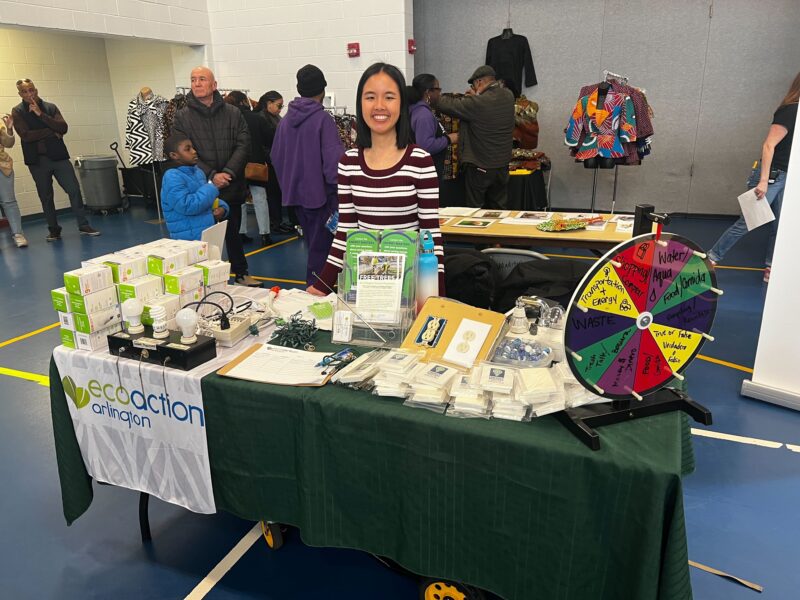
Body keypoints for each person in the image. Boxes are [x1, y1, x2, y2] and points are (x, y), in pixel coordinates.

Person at [310, 62, 444, 295]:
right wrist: (321, 287)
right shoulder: (348, 163)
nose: (379, 106)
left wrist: (437, 297)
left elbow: (430, 236)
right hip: (365, 290)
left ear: (401, 103)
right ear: (360, 103)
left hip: (409, 289)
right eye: (370, 97)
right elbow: (345, 234)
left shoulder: (419, 161)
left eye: (389, 97)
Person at [707, 71, 798, 283]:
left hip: (788, 177)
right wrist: (764, 180)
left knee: (781, 226)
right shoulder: (790, 111)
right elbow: (768, 145)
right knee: (748, 222)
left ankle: (770, 266)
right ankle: (711, 258)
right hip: (773, 175)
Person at [172, 67, 259, 287]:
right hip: (200, 185)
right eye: (193, 80)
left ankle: (241, 273)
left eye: (202, 79)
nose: (197, 83)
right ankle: (203, 281)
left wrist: (228, 173)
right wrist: (211, 175)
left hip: (231, 183)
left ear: (214, 85)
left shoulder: (233, 113)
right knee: (204, 236)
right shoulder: (182, 117)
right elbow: (183, 150)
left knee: (233, 233)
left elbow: (243, 144)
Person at [271, 64, 345, 287]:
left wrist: (290, 184)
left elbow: (275, 156)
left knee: (314, 247)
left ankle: (316, 291)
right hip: (323, 198)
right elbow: (334, 165)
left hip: (297, 198)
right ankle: (319, 295)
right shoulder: (322, 120)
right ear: (322, 89)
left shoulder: (284, 122)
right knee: (326, 252)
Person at [12, 79, 100, 241]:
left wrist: (41, 115)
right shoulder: (17, 111)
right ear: (20, 94)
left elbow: (63, 128)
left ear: (36, 90)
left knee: (73, 190)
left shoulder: (50, 107)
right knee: (45, 196)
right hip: (37, 161)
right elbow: (26, 135)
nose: (29, 94)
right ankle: (54, 229)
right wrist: (51, 132)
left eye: (31, 90)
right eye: (25, 91)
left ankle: (83, 225)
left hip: (59, 157)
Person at [432, 65, 515, 209]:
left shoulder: (479, 103)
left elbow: (446, 104)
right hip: (502, 165)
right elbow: (487, 110)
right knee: (499, 209)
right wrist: (475, 96)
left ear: (479, 82)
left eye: (473, 85)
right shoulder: (508, 95)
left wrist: (429, 95)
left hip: (480, 166)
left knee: (475, 210)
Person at [225, 91, 273, 247]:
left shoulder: (228, 119)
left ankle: (241, 233)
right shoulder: (256, 118)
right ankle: (265, 234)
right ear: (245, 101)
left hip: (235, 165)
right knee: (260, 199)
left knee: (240, 201)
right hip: (256, 164)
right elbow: (270, 138)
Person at [160, 134, 229, 241]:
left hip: (207, 234)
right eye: (188, 149)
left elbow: (207, 199)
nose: (194, 151)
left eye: (193, 147)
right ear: (174, 155)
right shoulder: (172, 176)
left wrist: (222, 208)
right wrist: (213, 187)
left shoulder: (198, 172)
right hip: (188, 240)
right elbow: (187, 205)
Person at [254, 91, 294, 235]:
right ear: (268, 103)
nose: (280, 109)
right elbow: (262, 143)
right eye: (278, 105)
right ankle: (275, 223)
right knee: (273, 194)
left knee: (277, 193)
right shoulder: (261, 119)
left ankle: (279, 222)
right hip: (269, 162)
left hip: (279, 160)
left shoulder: (275, 117)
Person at [407, 73, 457, 180]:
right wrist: (449, 139)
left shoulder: (418, 110)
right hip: (427, 172)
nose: (440, 93)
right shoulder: (423, 115)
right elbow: (426, 146)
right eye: (438, 89)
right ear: (428, 92)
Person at [0, 114, 27, 247]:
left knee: (9, 201)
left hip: (2, 167)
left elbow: (8, 143)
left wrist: (9, 129)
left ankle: (18, 234)